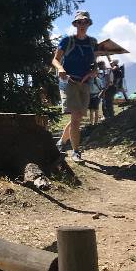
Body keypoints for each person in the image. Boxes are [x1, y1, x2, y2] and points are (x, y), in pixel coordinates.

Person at [52, 10, 98, 161]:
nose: (82, 24)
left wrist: (93, 72)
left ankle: (61, 142)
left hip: (84, 83)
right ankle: (76, 152)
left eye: (85, 22)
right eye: (79, 22)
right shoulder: (67, 40)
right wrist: (61, 69)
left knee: (76, 118)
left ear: (89, 24)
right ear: (75, 24)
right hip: (68, 82)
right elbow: (55, 60)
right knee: (76, 117)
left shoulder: (92, 42)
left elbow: (94, 64)